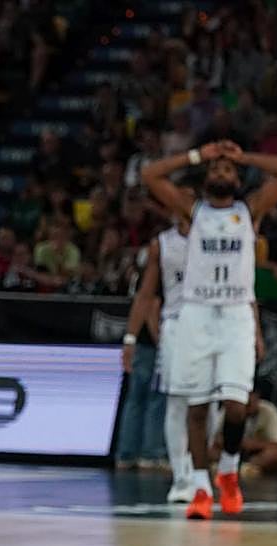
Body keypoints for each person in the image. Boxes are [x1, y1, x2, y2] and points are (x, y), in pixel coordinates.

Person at [142, 140, 277, 520]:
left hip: (234, 315)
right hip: (196, 312)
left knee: (234, 406)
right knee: (195, 408)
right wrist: (199, 154)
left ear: (238, 178)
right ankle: (199, 488)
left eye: (228, 169)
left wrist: (245, 157)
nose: (221, 172)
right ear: (206, 176)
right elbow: (150, 175)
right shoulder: (192, 211)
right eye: (216, 168)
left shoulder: (250, 212)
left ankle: (228, 470)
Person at [121, 199, 192, 501]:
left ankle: (130, 454)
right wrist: (149, 334)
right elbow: (149, 299)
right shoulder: (162, 247)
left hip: (172, 332)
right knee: (153, 398)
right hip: (163, 334)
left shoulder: (198, 244)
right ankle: (150, 453)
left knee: (143, 397)